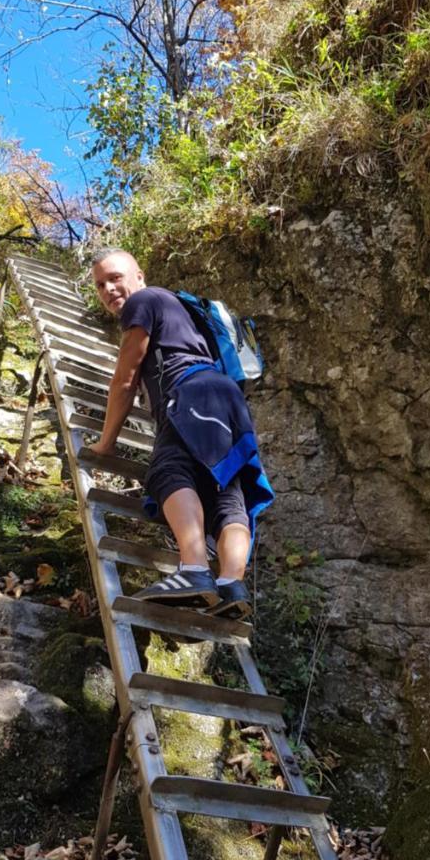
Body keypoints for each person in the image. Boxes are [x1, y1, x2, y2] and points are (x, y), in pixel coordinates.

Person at [87, 247, 272, 619]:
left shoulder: (145, 300)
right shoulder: (182, 310)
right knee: (225, 493)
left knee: (167, 471)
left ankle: (193, 569)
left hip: (191, 392)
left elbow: (125, 379)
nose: (108, 289)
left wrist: (105, 444)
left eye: (115, 278)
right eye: (100, 285)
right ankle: (231, 583)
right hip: (227, 400)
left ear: (139, 276)